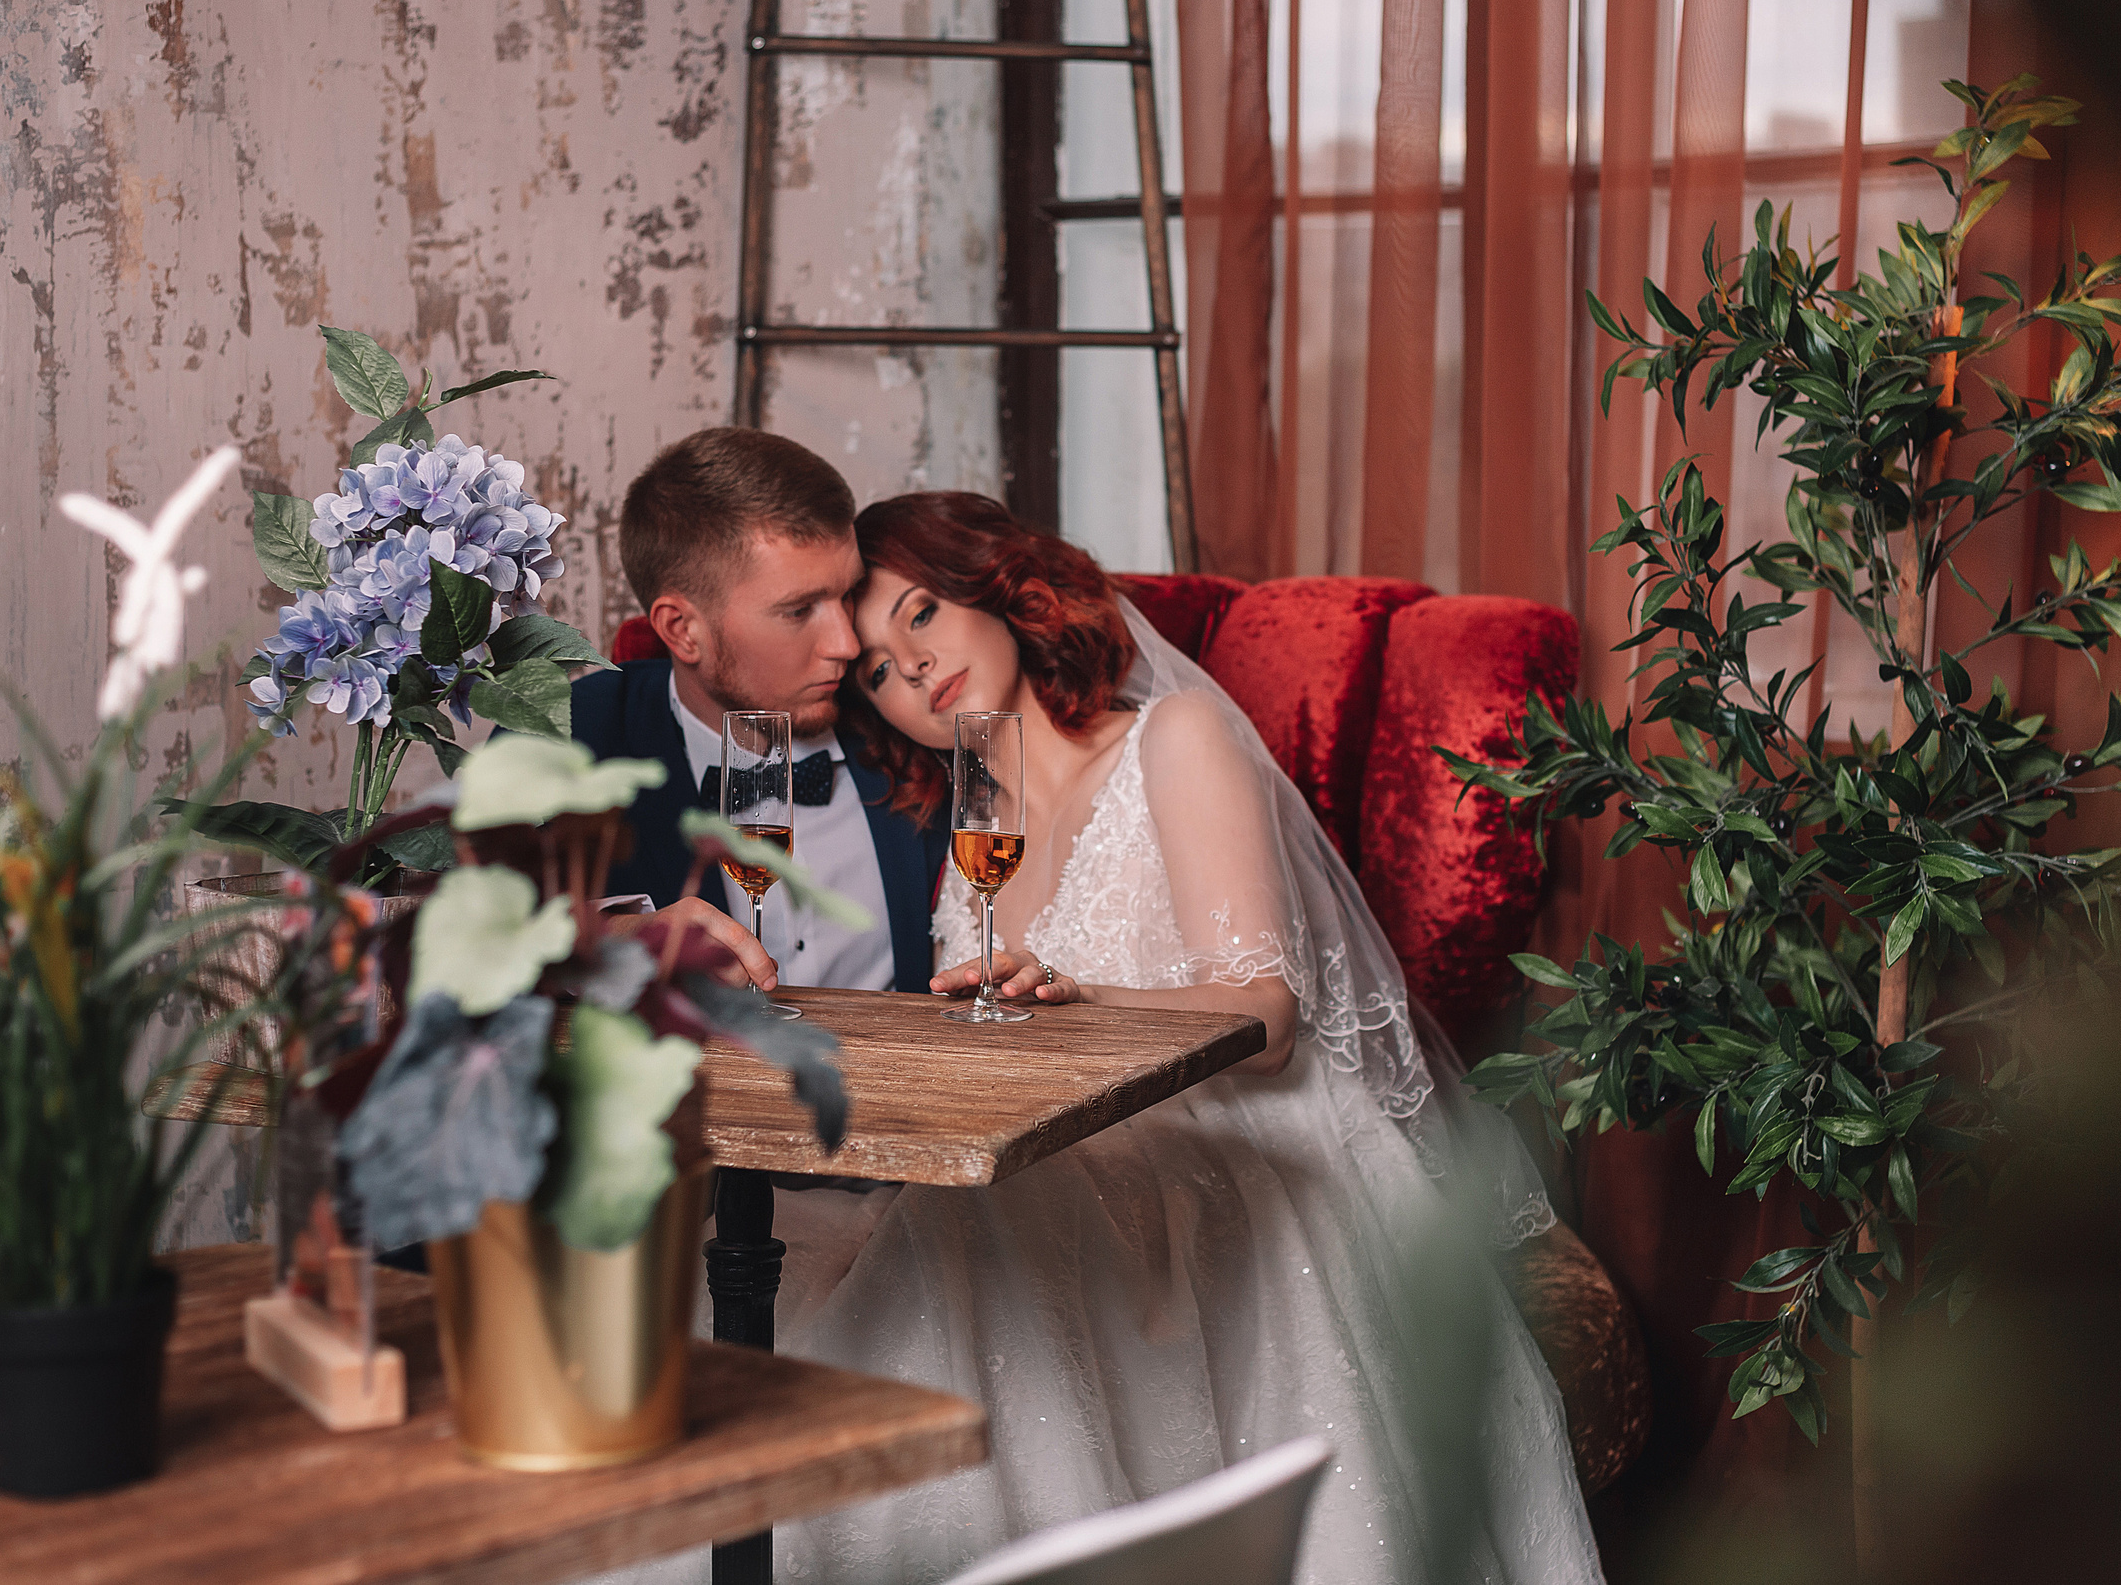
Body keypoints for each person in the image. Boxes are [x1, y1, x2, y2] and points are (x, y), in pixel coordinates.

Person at [634, 491, 1602, 1584]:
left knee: (973, 1238)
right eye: (871, 669)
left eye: (922, 613)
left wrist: (1080, 998)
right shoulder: (968, 828)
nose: (907, 668)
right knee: (730, 1278)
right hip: (1059, 1152)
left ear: (1004, 593)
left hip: (1242, 1147)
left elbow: (1268, 1015)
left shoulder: (1171, 740)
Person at [568, 428, 949, 992]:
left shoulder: (904, 708)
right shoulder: (574, 728)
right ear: (683, 630)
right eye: (799, 611)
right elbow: (454, 924)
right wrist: (612, 936)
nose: (846, 643)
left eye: (847, 594)